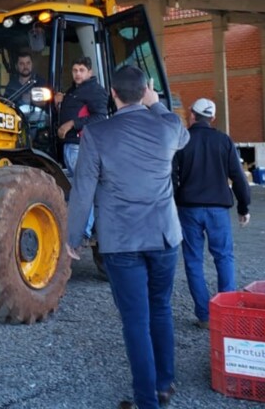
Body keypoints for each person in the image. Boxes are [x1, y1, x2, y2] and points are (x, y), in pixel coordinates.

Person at [66, 65, 190, 409]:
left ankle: (146, 400)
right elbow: (184, 136)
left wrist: (73, 237)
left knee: (135, 320)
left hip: (121, 242)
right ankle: (164, 385)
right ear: (146, 91)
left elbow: (83, 190)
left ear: (112, 95)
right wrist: (156, 103)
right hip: (165, 237)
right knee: (161, 309)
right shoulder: (167, 126)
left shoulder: (97, 134)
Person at [173, 98, 252, 330]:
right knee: (224, 257)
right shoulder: (223, 140)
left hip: (188, 210)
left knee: (193, 261)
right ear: (212, 118)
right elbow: (238, 177)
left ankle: (205, 316)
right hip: (218, 210)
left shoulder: (182, 141)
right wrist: (243, 207)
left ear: (192, 114)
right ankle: (227, 314)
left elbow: (171, 177)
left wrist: (174, 201)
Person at [54, 56, 109, 242]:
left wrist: (71, 124)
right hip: (71, 147)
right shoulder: (75, 90)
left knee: (85, 189)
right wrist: (60, 102)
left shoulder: (94, 90)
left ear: (90, 72)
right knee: (79, 188)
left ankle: (84, 231)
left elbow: (101, 118)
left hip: (82, 147)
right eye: (75, 70)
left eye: (81, 70)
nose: (78, 74)